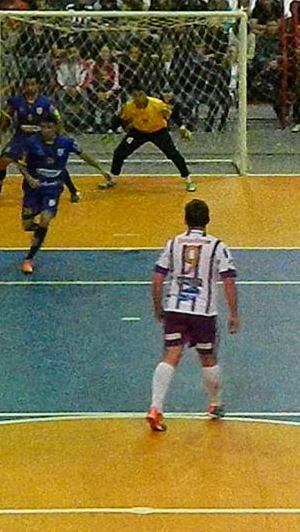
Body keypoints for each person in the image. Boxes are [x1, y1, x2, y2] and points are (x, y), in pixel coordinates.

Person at [146, 198, 239, 432]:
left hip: (175, 308)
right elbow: (228, 280)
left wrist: (159, 307)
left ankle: (155, 408)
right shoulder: (217, 246)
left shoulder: (173, 243)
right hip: (203, 311)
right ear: (207, 220)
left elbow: (157, 278)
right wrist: (233, 313)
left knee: (171, 354)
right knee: (207, 356)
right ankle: (215, 404)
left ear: (185, 219)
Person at [16, 117, 112, 274]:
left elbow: (84, 155)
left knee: (46, 218)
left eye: (48, 126)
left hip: (53, 188)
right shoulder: (31, 142)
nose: (45, 130)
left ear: (55, 128)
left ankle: (29, 258)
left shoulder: (66, 143)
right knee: (27, 225)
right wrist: (29, 178)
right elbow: (21, 163)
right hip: (33, 189)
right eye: (43, 127)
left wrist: (101, 169)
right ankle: (40, 234)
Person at [0, 75, 80, 203]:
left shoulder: (46, 102)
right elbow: (6, 116)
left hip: (39, 138)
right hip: (21, 138)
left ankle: (73, 190)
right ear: (23, 86)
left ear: (38, 86)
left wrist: (58, 136)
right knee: (3, 160)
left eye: (33, 84)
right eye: (27, 84)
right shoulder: (16, 101)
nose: (30, 87)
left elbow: (58, 119)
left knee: (54, 163)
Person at [99, 81, 195, 191]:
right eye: (134, 95)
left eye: (140, 94)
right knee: (119, 152)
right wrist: (111, 130)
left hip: (158, 132)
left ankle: (188, 179)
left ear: (145, 94)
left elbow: (172, 114)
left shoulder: (157, 104)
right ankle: (112, 177)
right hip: (138, 132)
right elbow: (120, 119)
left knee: (173, 154)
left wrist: (182, 127)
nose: (137, 98)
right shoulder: (129, 107)